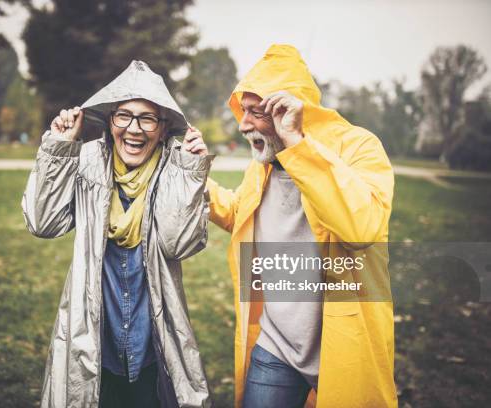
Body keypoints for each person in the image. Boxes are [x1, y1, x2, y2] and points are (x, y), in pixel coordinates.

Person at [206, 45, 397, 407]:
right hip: (276, 345)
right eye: (242, 111)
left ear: (287, 112)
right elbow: (240, 213)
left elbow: (362, 229)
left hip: (344, 344)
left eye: (254, 113)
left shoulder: (359, 147)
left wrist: (297, 145)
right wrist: (199, 181)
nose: (243, 124)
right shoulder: (261, 166)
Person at [22, 60, 213, 408]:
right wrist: (59, 148)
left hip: (152, 342)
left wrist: (190, 173)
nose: (134, 129)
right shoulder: (88, 163)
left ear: (163, 126)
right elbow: (42, 222)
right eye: (123, 115)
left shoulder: (176, 167)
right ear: (110, 121)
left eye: (147, 118)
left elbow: (178, 243)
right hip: (95, 340)